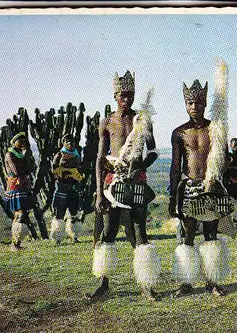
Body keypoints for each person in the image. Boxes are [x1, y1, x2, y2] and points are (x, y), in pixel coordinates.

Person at [86, 71, 161, 302]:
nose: (126, 99)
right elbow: (100, 159)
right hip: (113, 182)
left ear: (134, 95)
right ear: (115, 95)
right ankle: (103, 282)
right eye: (121, 95)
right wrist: (99, 193)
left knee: (140, 231)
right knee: (108, 231)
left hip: (137, 181)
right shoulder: (106, 122)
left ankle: (145, 284)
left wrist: (139, 166)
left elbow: (154, 152)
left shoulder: (142, 120)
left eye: (129, 95)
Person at [169, 79, 234, 297]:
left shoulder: (215, 129)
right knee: (187, 235)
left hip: (211, 186)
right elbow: (175, 167)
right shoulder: (179, 133)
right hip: (189, 188)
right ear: (185, 105)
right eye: (189, 103)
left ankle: (212, 281)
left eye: (197, 102)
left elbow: (225, 159)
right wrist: (172, 197)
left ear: (205, 103)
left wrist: (216, 172)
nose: (194, 107)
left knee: (210, 233)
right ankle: (186, 282)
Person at [3, 132, 38, 251]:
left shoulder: (21, 155)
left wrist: (27, 154)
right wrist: (28, 168)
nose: (22, 143)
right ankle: (15, 243)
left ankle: (16, 243)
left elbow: (29, 167)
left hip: (23, 186)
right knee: (20, 214)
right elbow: (17, 171)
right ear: (14, 142)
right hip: (15, 187)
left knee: (21, 214)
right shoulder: (10, 155)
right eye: (20, 141)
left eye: (24, 142)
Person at [50, 133, 84, 244]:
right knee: (59, 214)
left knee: (74, 213)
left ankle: (74, 236)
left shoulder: (78, 155)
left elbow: (81, 169)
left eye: (72, 142)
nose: (70, 144)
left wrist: (77, 174)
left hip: (74, 188)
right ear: (63, 143)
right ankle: (57, 238)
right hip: (62, 188)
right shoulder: (59, 155)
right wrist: (65, 172)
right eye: (67, 142)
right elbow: (54, 169)